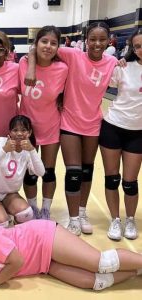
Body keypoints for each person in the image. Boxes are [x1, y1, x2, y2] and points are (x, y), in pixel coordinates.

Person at [26, 22, 117, 236]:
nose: (97, 43)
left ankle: (83, 212)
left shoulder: (113, 62)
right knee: (74, 172)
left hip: (94, 124)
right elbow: (36, 47)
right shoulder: (73, 55)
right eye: (92, 39)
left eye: (102, 40)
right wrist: (31, 66)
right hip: (69, 122)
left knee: (87, 171)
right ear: (85, 40)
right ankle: (74, 218)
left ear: (109, 41)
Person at [0, 211, 142, 290]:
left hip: (42, 238)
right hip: (42, 265)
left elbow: (17, 261)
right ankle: (137, 271)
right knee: (95, 282)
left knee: (101, 263)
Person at [19, 26, 68, 219]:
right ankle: (32, 208)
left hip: (50, 127)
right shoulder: (23, 63)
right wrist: (32, 63)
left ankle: (46, 209)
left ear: (58, 47)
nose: (48, 46)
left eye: (53, 43)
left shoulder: (63, 69)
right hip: (27, 129)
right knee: (30, 172)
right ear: (36, 43)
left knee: (48, 171)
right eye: (44, 41)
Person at [99, 29, 142, 241]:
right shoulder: (124, 68)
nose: (141, 50)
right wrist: (117, 62)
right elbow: (99, 83)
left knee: (130, 182)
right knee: (112, 178)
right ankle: (115, 220)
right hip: (113, 126)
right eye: (138, 46)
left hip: (138, 133)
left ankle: (130, 219)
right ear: (132, 49)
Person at [0, 115, 45, 227]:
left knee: (26, 214)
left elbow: (41, 172)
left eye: (23, 130)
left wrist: (32, 150)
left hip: (9, 195)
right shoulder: (0, 143)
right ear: (10, 132)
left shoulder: (27, 151)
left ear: (30, 132)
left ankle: (2, 213)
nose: (19, 133)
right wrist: (4, 150)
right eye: (15, 130)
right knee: (1, 222)